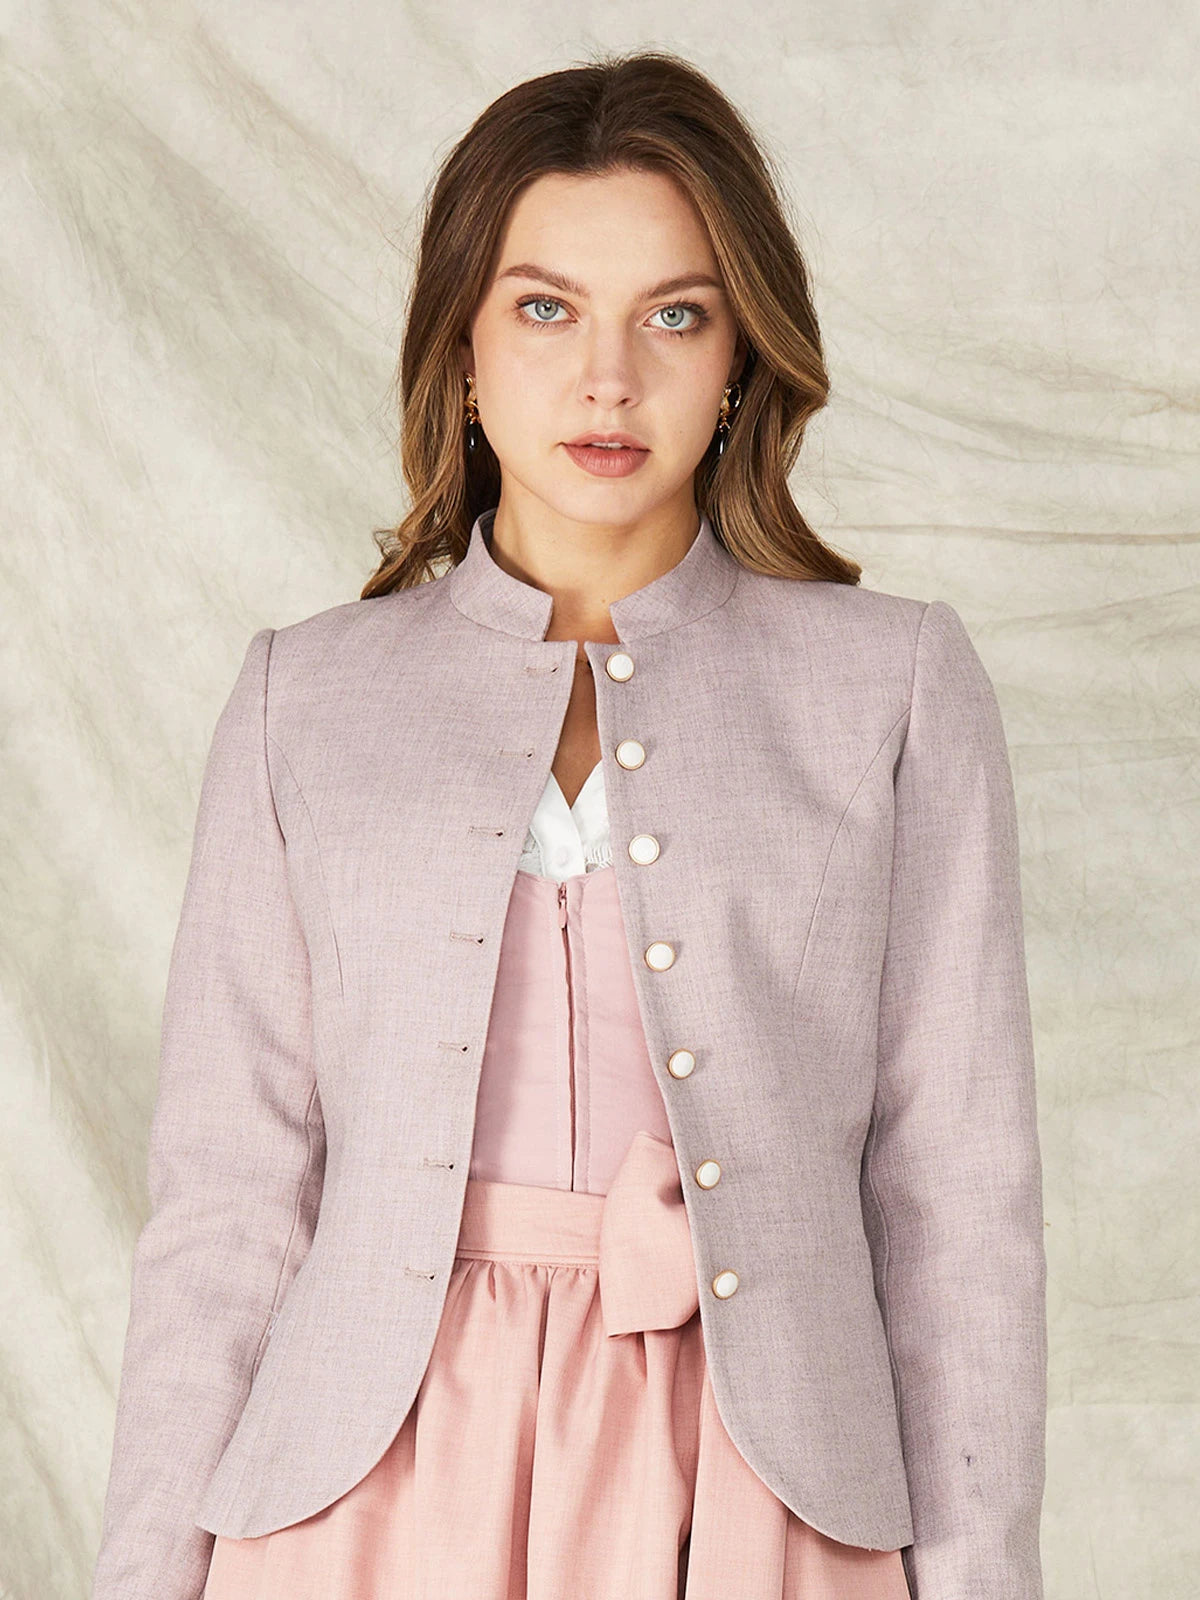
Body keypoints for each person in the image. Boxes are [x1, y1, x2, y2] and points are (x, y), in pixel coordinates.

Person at [90, 49, 1048, 1600]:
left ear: (740, 354)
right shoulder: (302, 699)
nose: (608, 379)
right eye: (545, 309)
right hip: (362, 1497)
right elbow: (228, 1207)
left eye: (674, 315)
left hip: (763, 1493)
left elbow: (958, 1205)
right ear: (462, 350)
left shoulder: (895, 686)